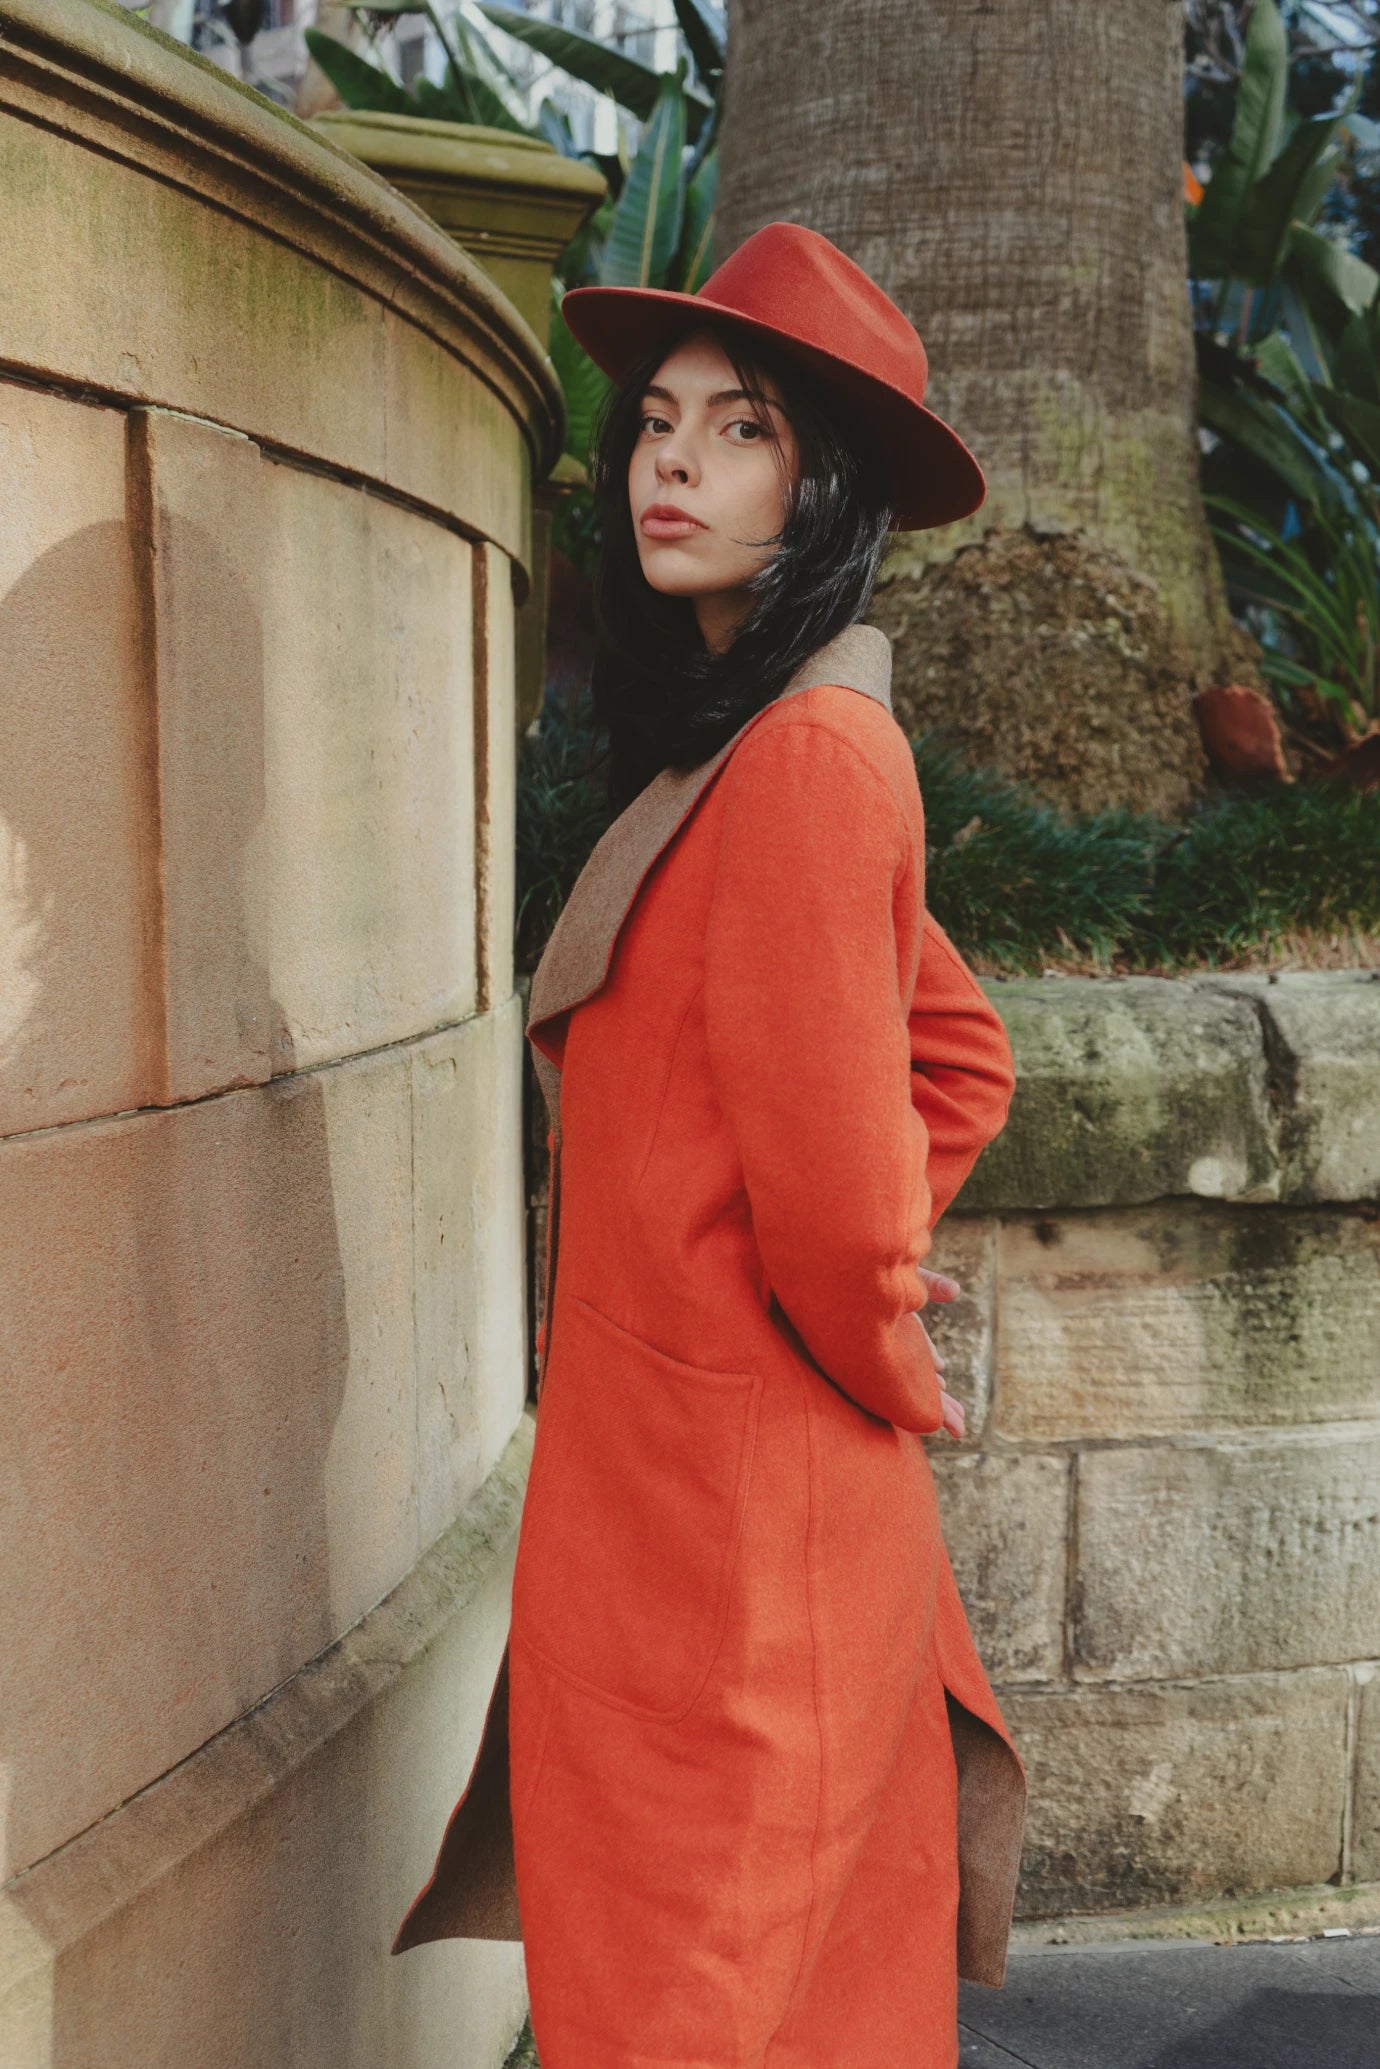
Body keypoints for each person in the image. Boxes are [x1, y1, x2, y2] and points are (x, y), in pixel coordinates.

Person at [393, 221, 1028, 2069]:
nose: (671, 462)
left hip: (744, 1548)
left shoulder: (811, 759)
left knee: (701, 2012)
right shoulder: (736, 740)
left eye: (740, 427)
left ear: (822, 489)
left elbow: (845, 1199)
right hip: (667, 1518)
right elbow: (957, 1048)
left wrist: (878, 1304)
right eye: (657, 422)